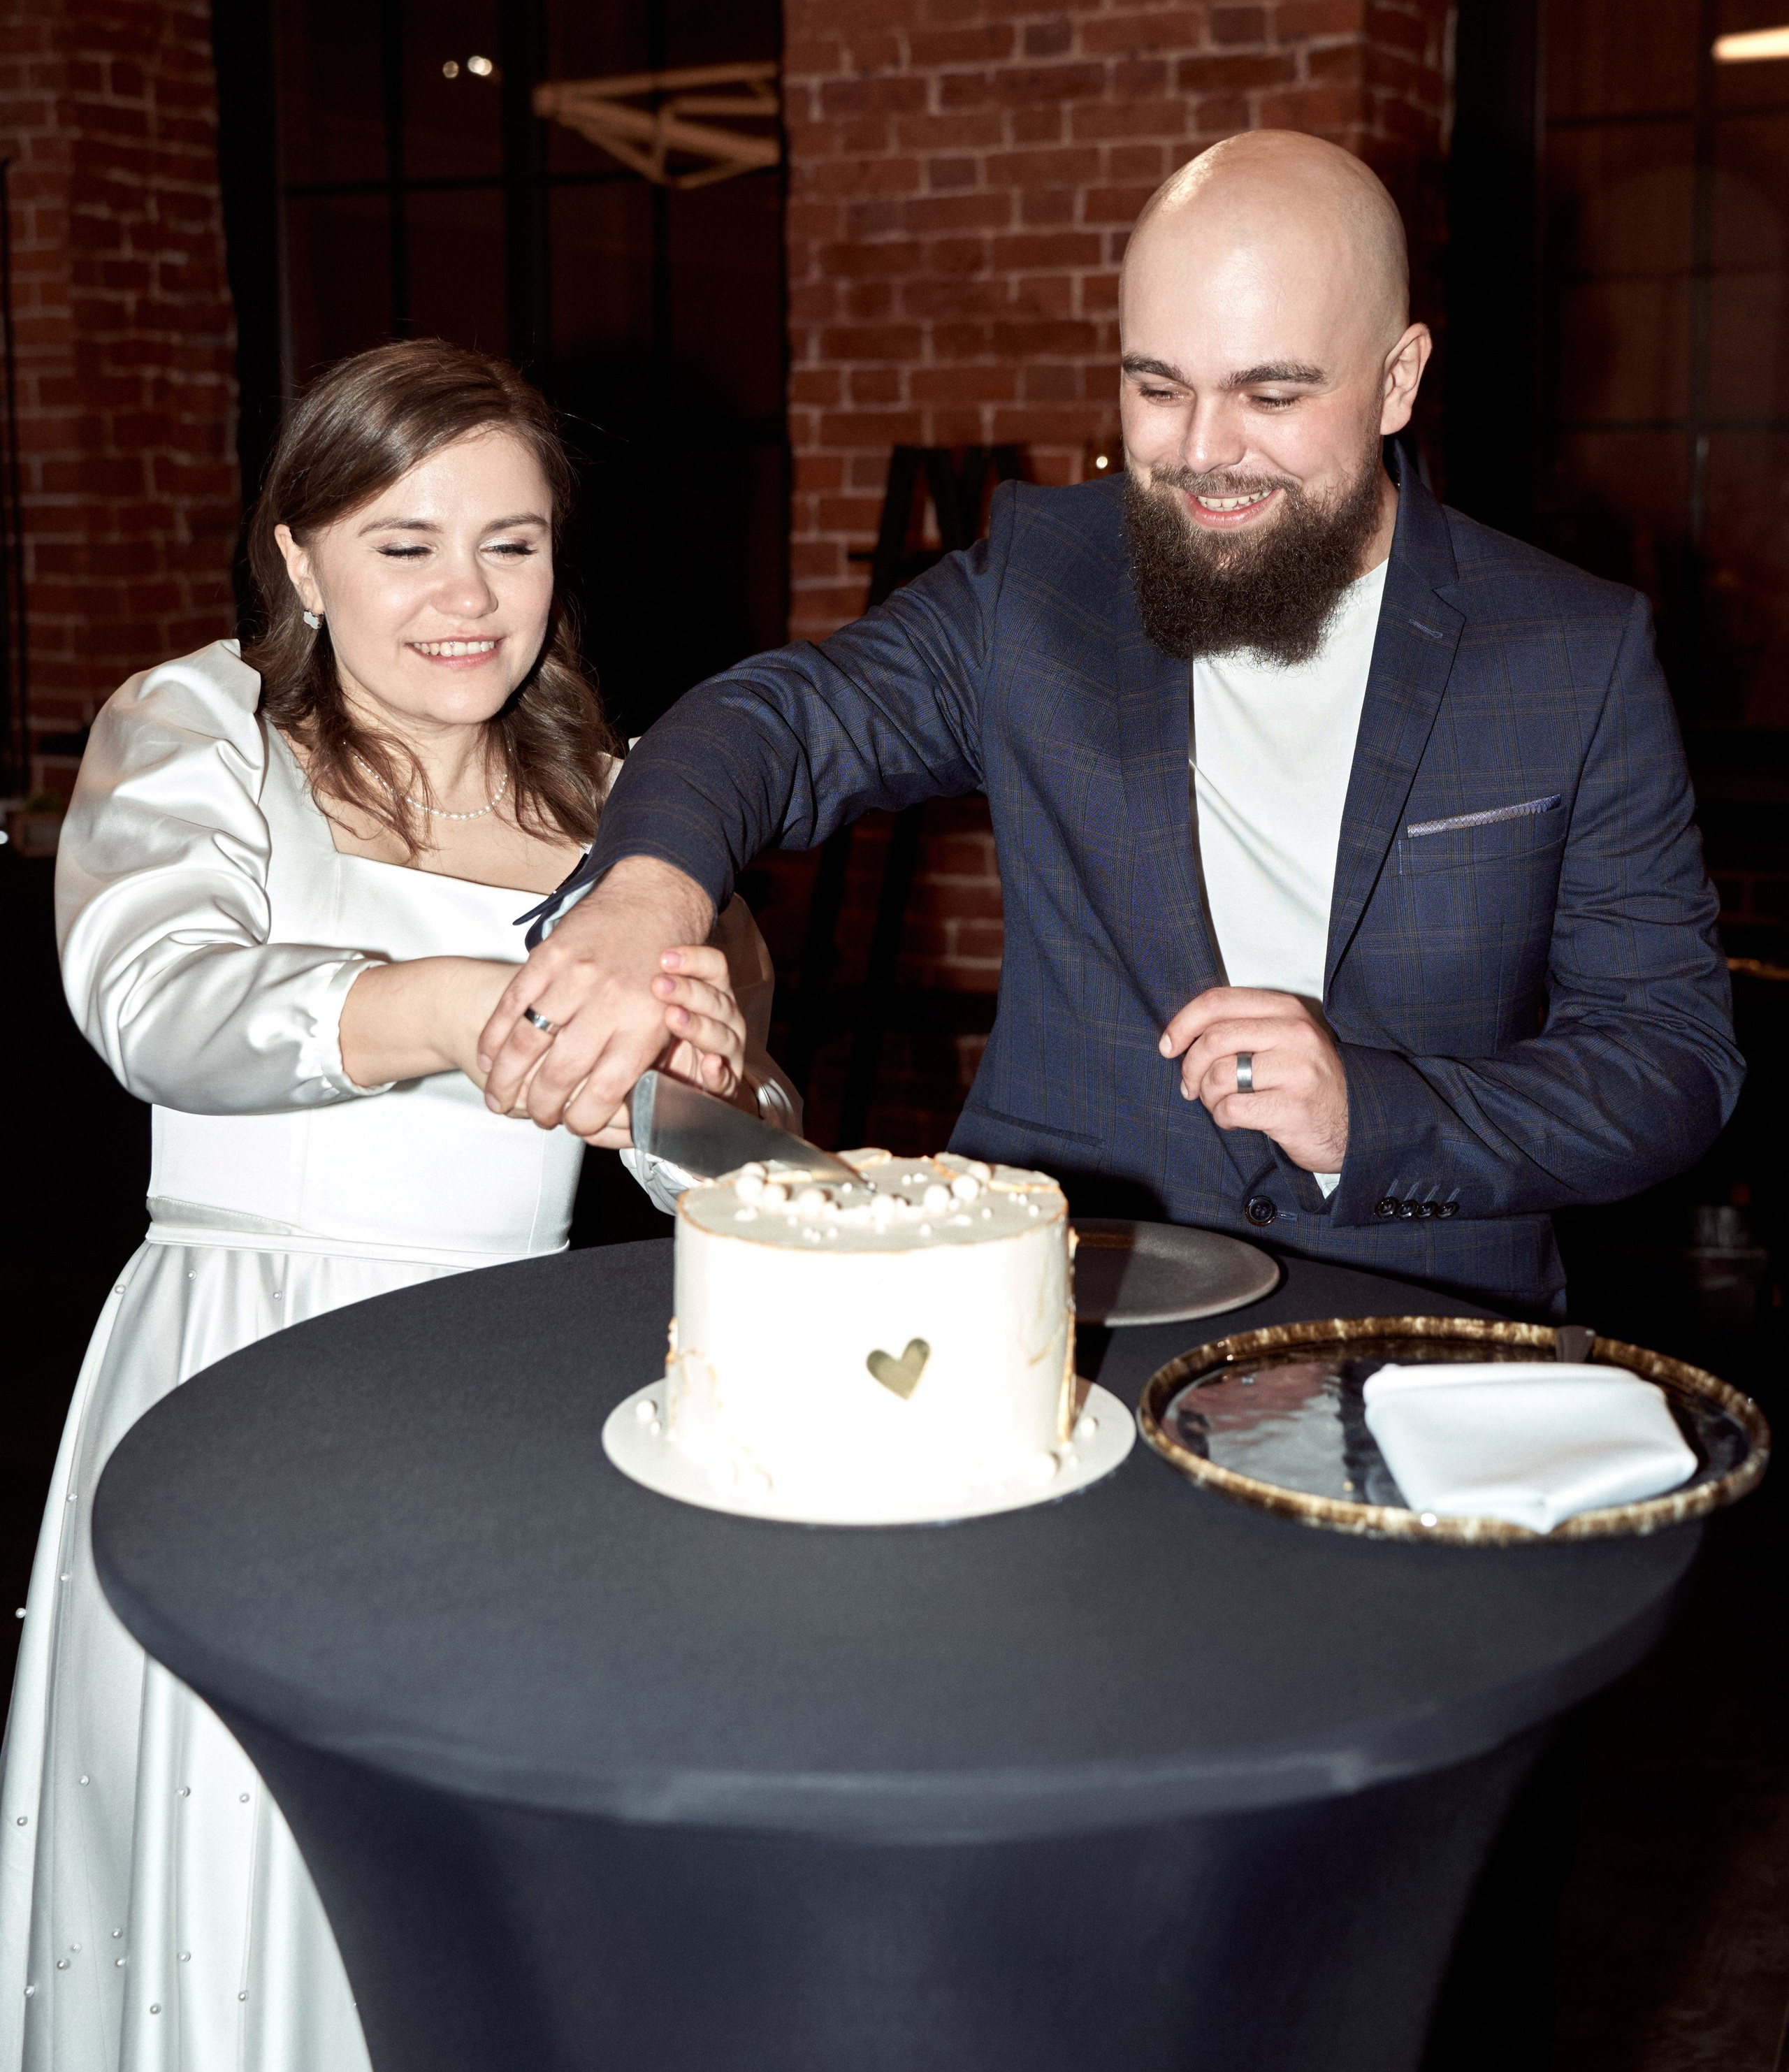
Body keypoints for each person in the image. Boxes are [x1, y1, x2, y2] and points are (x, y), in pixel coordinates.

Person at [477, 130, 1741, 1314]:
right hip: (1059, 1318)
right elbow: (780, 721)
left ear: (1399, 379)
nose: (1206, 454)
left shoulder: (1571, 651)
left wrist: (1378, 1114)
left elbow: (1671, 1063)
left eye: (1272, 395)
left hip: (1415, 1334)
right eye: (1158, 388)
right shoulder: (1043, 581)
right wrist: (646, 892)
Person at [0, 340, 788, 2072]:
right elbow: (155, 996)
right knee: (231, 1879)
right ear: (298, 556)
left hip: (505, 1409)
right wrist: (456, 1011)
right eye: (403, 540)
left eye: (511, 543)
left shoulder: (630, 802)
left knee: (456, 1916)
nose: (465, 596)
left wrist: (707, 1074)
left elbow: (731, 1171)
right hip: (239, 1374)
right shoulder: (205, 726)